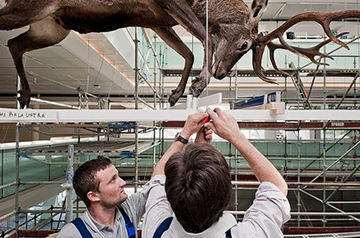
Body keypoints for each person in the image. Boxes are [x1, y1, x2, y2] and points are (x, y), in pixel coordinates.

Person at [142, 108, 291, 238]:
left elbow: (157, 178)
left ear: (170, 195)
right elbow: (277, 186)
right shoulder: (251, 234)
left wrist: (187, 137)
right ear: (228, 194)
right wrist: (235, 136)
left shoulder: (157, 231)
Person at [58, 156, 155, 238]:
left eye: (118, 176)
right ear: (93, 196)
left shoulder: (128, 210)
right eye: (113, 180)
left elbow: (156, 181)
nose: (123, 183)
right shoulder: (72, 234)